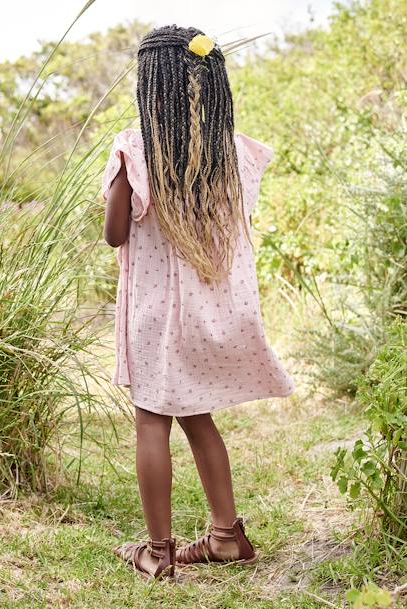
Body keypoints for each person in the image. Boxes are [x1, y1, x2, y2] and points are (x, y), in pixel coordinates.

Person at [101, 24, 296, 582]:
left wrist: (121, 174)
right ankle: (226, 536)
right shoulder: (232, 151)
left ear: (151, 84)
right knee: (197, 417)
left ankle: (158, 552)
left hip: (157, 314)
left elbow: (116, 233)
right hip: (208, 310)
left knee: (151, 421)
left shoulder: (136, 146)